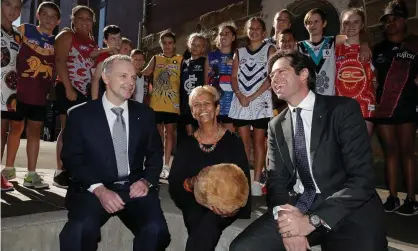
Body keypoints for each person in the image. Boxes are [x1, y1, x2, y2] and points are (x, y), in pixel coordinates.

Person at [230, 50, 387, 251]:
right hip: (300, 205)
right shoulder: (276, 125)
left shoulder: (341, 110)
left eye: (281, 72)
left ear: (303, 74)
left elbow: (362, 179)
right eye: (271, 75)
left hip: (348, 209)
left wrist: (313, 220)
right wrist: (289, 226)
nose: (274, 79)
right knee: (243, 248)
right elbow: (277, 182)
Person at [59, 54, 170, 251]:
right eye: (123, 76)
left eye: (133, 77)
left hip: (133, 187)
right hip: (93, 188)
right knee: (78, 231)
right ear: (106, 78)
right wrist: (100, 190)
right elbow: (72, 159)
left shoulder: (144, 114)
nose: (130, 83)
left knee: (157, 230)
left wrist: (146, 180)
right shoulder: (80, 115)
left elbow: (155, 154)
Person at [168, 86, 251, 251]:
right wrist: (190, 183)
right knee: (195, 217)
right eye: (196, 105)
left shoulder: (233, 141)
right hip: (192, 198)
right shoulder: (186, 144)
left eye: (207, 103)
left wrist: (232, 208)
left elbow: (243, 180)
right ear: (192, 113)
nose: (202, 108)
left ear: (217, 108)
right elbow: (175, 182)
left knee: (209, 222)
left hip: (224, 202)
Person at [1, 2, 61, 189]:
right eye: (45, 14)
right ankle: (8, 168)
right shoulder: (23, 30)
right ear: (37, 15)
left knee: (34, 132)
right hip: (15, 91)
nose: (48, 19)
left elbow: (58, 64)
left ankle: (31, 174)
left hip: (39, 95)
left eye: (53, 16)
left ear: (58, 21)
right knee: (14, 129)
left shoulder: (57, 42)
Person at [373, 0, 418, 216]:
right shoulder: (377, 49)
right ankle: (392, 197)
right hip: (384, 108)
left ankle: (411, 198)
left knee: (407, 152)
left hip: (408, 106)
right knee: (390, 152)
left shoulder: (415, 44)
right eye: (387, 21)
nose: (390, 24)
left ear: (404, 20)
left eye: (394, 19)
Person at [229, 17, 276, 196]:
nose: (254, 31)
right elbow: (233, 77)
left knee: (259, 142)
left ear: (264, 33)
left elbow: (271, 76)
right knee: (243, 143)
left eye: (258, 29)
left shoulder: (270, 49)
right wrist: (241, 95)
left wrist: (253, 96)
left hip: (260, 102)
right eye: (251, 29)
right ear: (247, 32)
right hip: (241, 101)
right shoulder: (239, 52)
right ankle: (244, 180)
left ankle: (257, 180)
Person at [53, 5, 98, 188]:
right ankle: (60, 170)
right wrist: (68, 87)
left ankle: (76, 169)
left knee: (81, 133)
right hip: (68, 87)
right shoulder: (66, 36)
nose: (85, 22)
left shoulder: (91, 42)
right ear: (73, 19)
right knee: (68, 129)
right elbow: (59, 61)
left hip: (86, 90)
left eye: (88, 19)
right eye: (81, 18)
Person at [298, 8, 371, 96]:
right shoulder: (299, 46)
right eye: (309, 22)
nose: (313, 25)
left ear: (324, 23)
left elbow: (354, 37)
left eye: (316, 21)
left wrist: (364, 45)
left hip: (334, 98)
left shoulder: (332, 41)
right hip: (311, 97)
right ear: (305, 25)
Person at [141, 31, 183, 179]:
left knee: (169, 134)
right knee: (157, 135)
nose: (167, 46)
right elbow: (144, 72)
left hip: (173, 103)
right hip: (156, 103)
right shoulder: (156, 58)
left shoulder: (180, 59)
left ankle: (166, 166)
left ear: (174, 44)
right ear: (161, 44)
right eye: (164, 43)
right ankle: (156, 163)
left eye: (170, 43)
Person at [336, 8, 376, 136]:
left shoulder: (371, 48)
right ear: (342, 25)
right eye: (347, 23)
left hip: (365, 106)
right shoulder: (333, 48)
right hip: (340, 107)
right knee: (342, 151)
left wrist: (364, 44)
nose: (351, 26)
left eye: (356, 22)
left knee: (362, 150)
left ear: (363, 24)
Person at [0, 0, 22, 192]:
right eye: (8, 5)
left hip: (9, 92)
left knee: (4, 131)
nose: (12, 10)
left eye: (17, 7)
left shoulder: (17, 35)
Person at [206, 22, 237, 132]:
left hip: (232, 104)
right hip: (214, 103)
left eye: (227, 34)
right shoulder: (210, 56)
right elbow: (206, 82)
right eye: (221, 34)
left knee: (230, 138)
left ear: (233, 37)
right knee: (215, 138)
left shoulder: (238, 56)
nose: (223, 36)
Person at [180, 33, 207, 135]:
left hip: (200, 103)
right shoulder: (183, 63)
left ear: (203, 48)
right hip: (186, 104)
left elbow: (206, 83)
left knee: (202, 131)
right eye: (193, 44)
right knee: (190, 135)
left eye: (198, 45)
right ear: (189, 45)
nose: (195, 47)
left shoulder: (204, 62)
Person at [91, 25, 121, 99]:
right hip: (102, 95)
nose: (117, 41)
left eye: (119, 38)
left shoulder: (122, 55)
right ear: (105, 40)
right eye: (113, 38)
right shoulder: (103, 56)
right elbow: (96, 80)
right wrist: (94, 101)